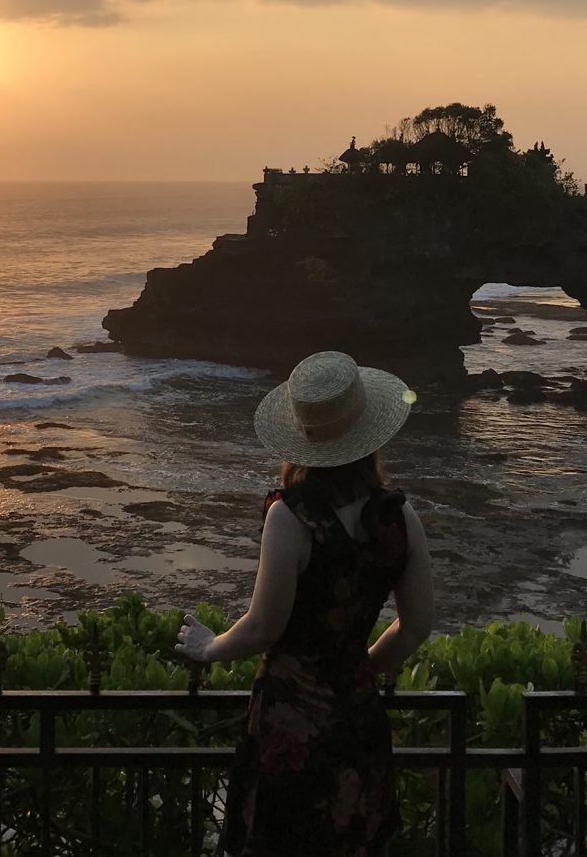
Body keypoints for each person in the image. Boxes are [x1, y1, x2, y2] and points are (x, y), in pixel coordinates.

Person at [175, 351, 434, 857]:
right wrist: (358, 669)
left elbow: (263, 628)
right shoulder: (402, 519)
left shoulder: (291, 519)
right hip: (358, 722)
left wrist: (209, 647)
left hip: (290, 728)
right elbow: (416, 626)